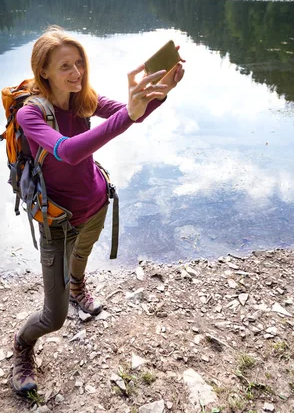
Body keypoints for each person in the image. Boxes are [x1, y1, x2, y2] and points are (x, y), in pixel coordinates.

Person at [12, 25, 185, 394]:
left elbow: (128, 112)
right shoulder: (31, 115)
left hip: (96, 203)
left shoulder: (83, 98)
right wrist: (134, 111)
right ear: (43, 71)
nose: (76, 73)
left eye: (79, 63)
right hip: (57, 220)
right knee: (53, 317)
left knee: (83, 255)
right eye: (65, 67)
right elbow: (69, 151)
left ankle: (77, 286)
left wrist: (160, 93)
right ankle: (23, 345)